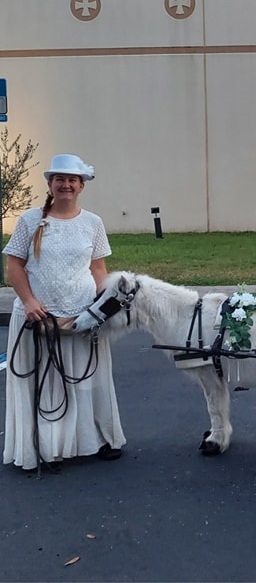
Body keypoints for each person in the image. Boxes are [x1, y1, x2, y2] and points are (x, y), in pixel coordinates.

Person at [3, 153, 125, 471]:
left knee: (88, 381)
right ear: (50, 184)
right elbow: (13, 266)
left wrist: (103, 307)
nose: (66, 184)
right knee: (46, 384)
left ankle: (97, 439)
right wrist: (29, 302)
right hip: (38, 318)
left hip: (81, 317)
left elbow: (98, 269)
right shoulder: (30, 221)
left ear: (81, 186)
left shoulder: (93, 223)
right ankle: (49, 447)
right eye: (60, 179)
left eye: (72, 180)